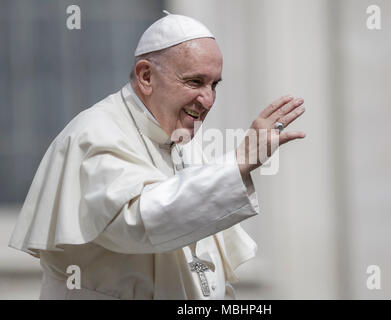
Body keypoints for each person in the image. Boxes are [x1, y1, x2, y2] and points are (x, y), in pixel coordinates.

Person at [9, 12, 306, 300]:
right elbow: (135, 223)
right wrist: (237, 163)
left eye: (214, 85)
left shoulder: (182, 143)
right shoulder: (94, 133)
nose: (208, 99)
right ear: (146, 76)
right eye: (195, 82)